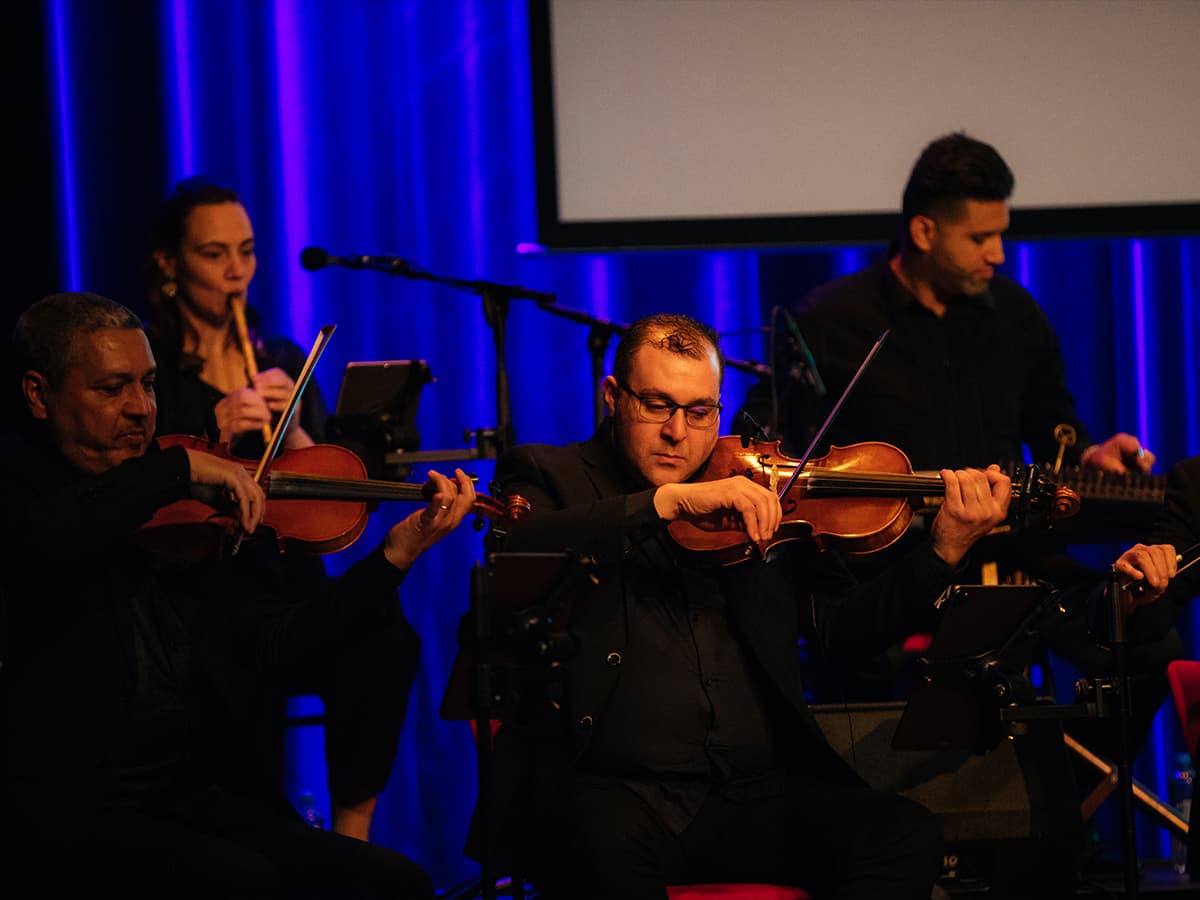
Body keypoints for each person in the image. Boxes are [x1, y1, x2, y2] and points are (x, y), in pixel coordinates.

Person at [462, 311, 1063, 900]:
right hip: (610, 794)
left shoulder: (759, 493)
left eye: (700, 412)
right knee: (593, 849)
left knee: (903, 836)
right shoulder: (551, 473)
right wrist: (666, 502)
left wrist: (943, 551)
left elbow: (841, 632)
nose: (679, 432)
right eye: (657, 405)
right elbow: (522, 543)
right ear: (613, 396)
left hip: (749, 797)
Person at [0, 291, 475, 897]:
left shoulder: (186, 520)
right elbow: (51, 539)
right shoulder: (23, 489)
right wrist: (176, 469)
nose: (141, 409)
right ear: (39, 395)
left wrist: (395, 555)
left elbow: (274, 644)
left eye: (147, 385)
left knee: (394, 883)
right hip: (71, 808)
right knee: (244, 883)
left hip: (193, 798)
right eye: (112, 389)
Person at [736, 132, 1170, 748]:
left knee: (1151, 647)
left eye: (1000, 235)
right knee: (854, 676)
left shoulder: (1018, 318)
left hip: (1009, 559)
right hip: (889, 570)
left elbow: (1057, 439)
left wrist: (1092, 460)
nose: (998, 254)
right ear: (923, 232)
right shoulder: (831, 320)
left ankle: (1062, 805)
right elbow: (773, 445)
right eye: (979, 238)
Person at [144, 176, 417, 841]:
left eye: (247, 251)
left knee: (386, 641)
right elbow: (142, 491)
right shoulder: (151, 369)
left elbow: (318, 498)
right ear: (170, 264)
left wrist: (294, 434)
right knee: (222, 670)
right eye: (214, 254)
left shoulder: (285, 359)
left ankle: (352, 841)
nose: (237, 272)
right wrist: (210, 427)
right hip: (201, 598)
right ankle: (263, 841)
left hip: (289, 587)